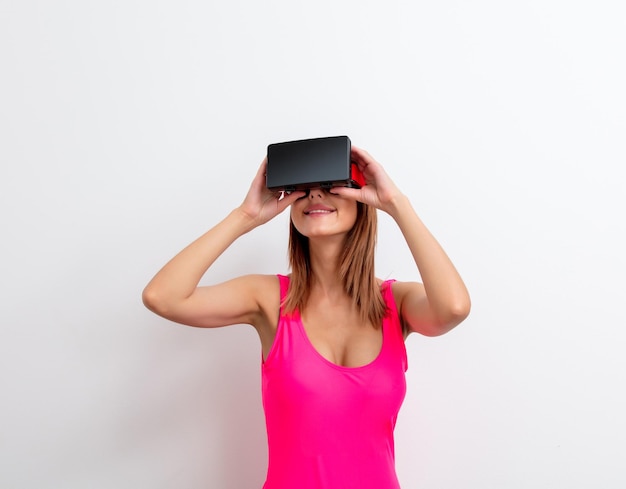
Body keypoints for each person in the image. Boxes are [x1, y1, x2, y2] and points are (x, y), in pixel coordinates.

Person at [142, 145, 471, 489]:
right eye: (303, 188)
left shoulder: (396, 302)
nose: (315, 193)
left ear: (362, 197)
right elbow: (162, 297)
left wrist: (397, 205)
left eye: (331, 184)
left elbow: (453, 308)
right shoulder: (268, 300)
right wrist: (245, 216)